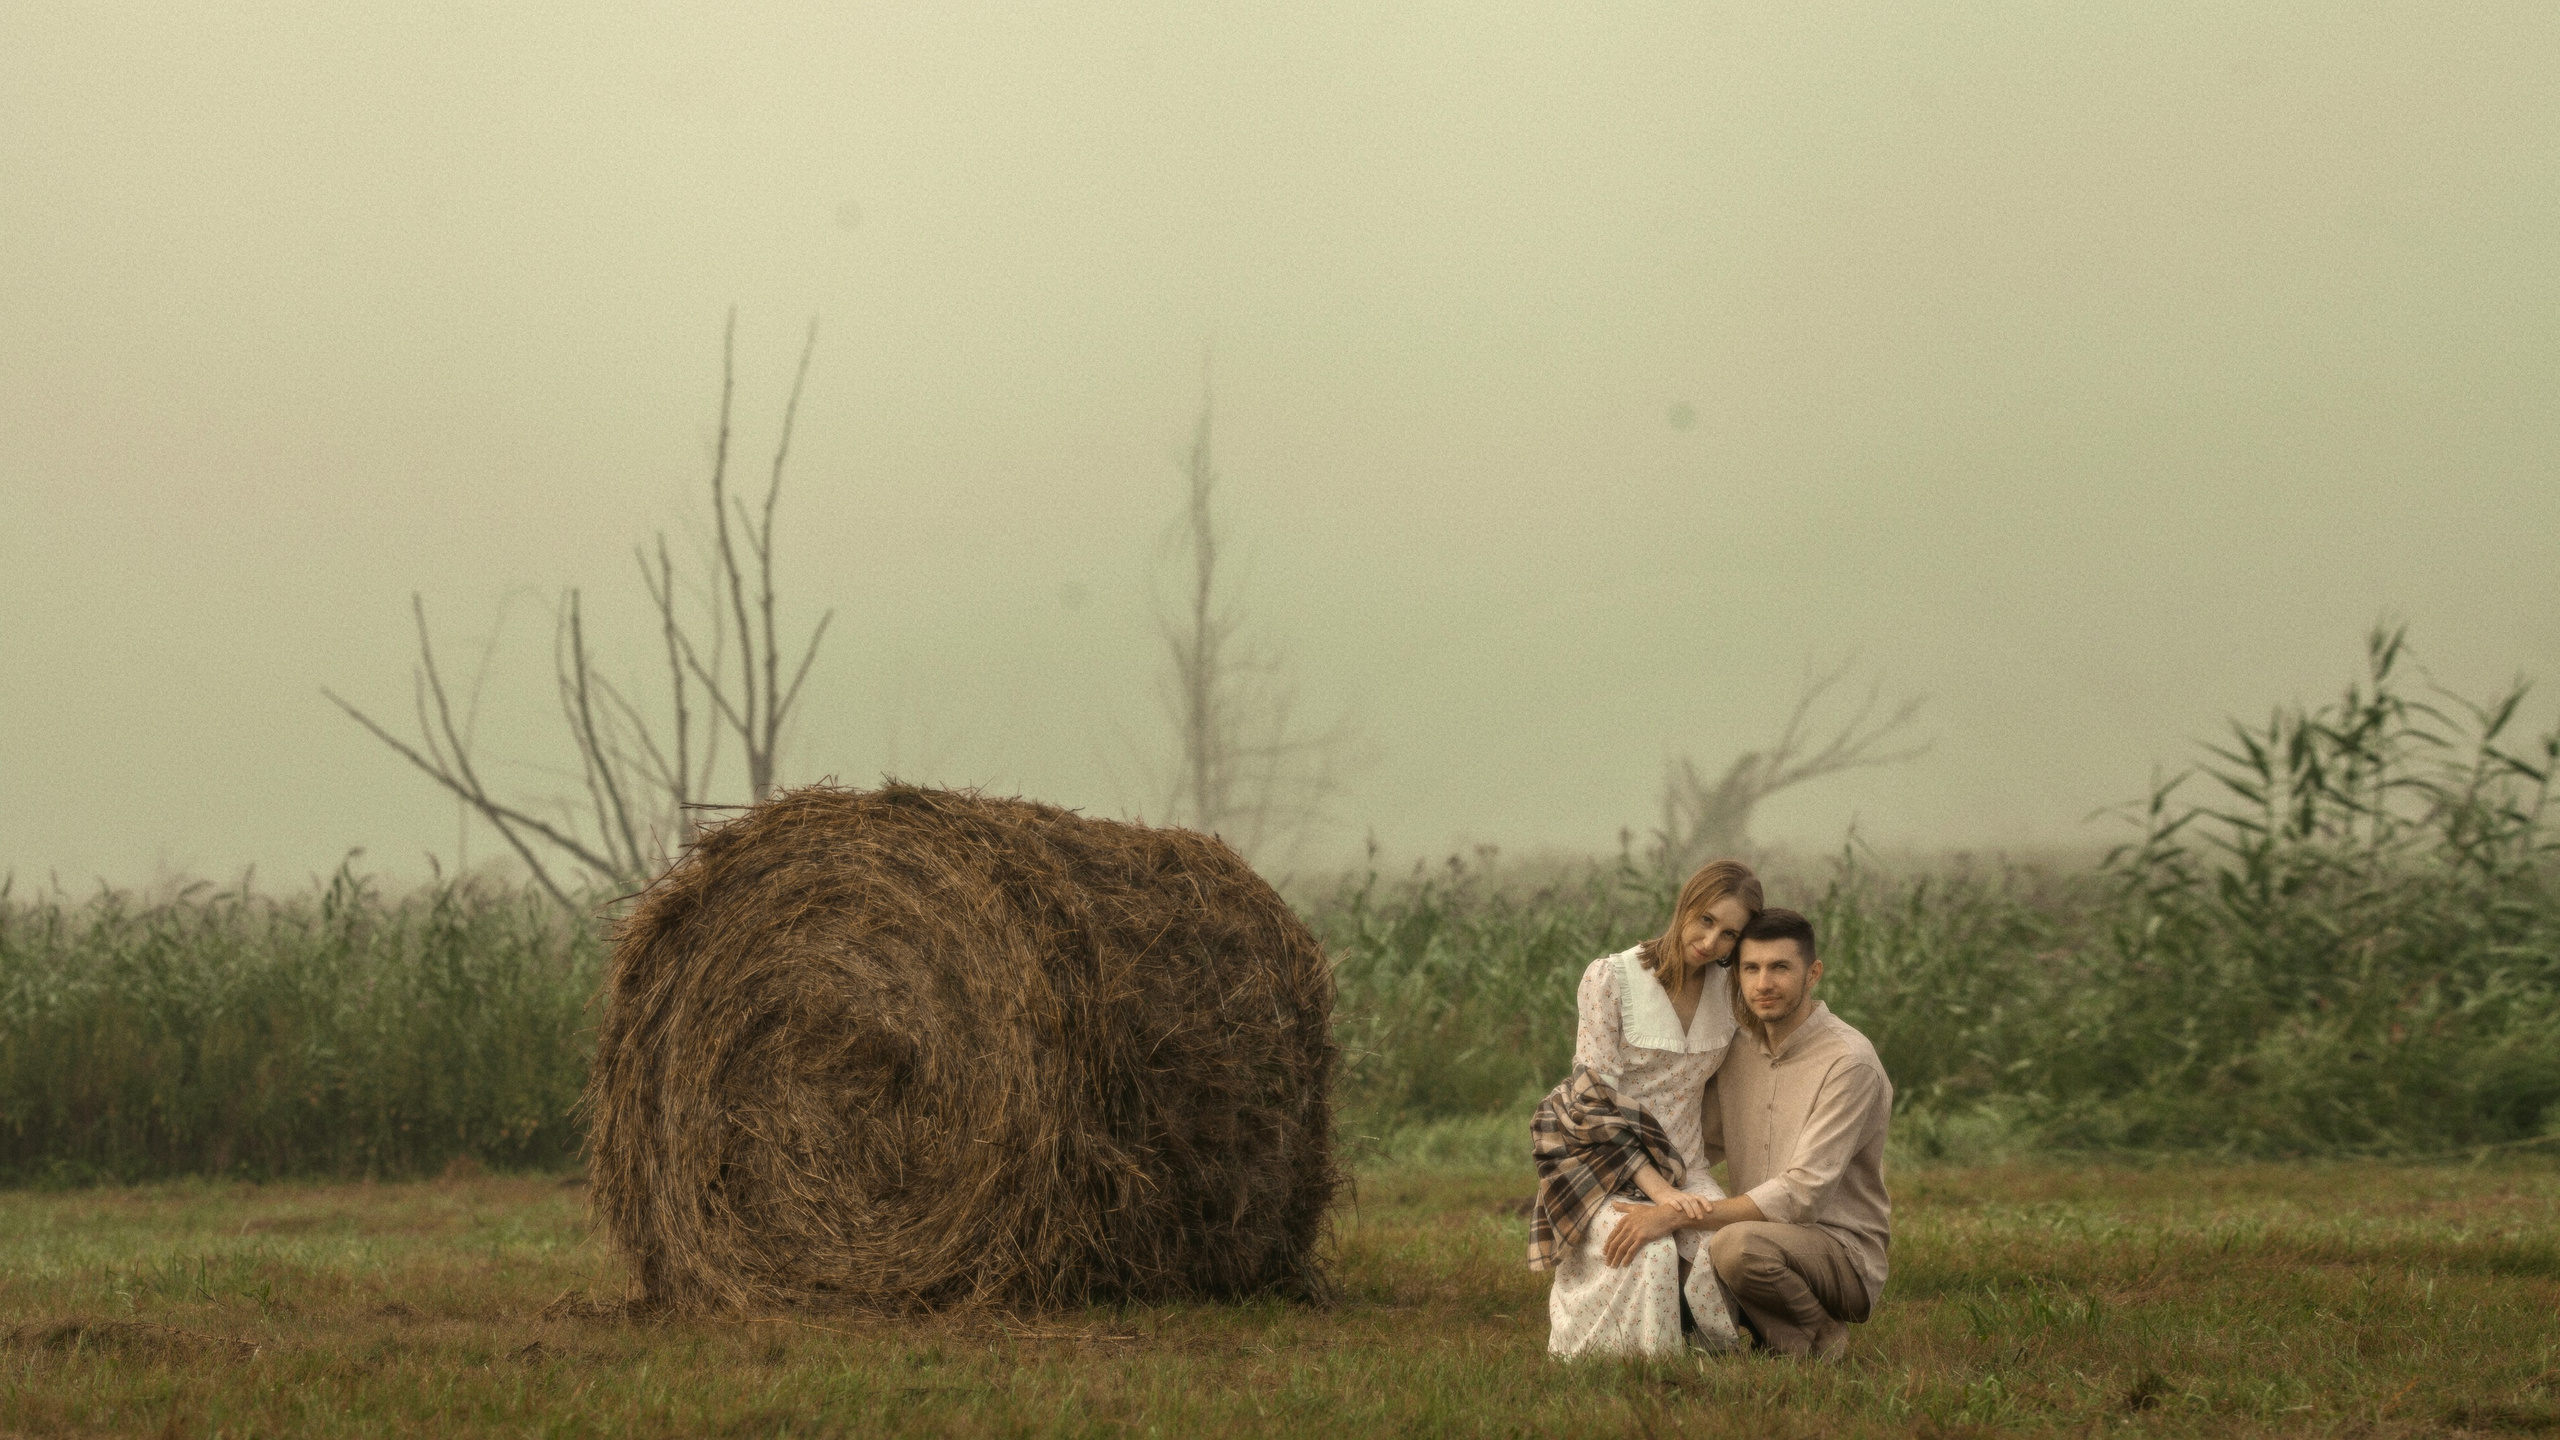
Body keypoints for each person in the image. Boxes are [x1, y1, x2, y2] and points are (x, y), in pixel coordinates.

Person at [1531, 860, 1761, 1358]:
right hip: (1602, 1165)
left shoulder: (1731, 993)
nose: (1711, 942)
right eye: (1706, 920)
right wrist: (1661, 1194)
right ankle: (1631, 1359)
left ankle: (1705, 1349)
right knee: (1650, 1249)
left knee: (1719, 1249)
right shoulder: (1611, 978)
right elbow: (1592, 1100)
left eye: (1729, 934)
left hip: (1687, 1167)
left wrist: (1681, 1192)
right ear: (1685, 904)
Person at [1664, 907, 1893, 1361]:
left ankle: (1818, 1337)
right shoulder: (1735, 1052)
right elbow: (1695, 1144)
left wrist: (1675, 1217)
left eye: (1780, 967)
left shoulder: (1848, 1062)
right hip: (1764, 1240)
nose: (1763, 983)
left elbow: (1802, 1195)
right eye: (1751, 968)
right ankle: (1752, 1338)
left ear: (1813, 973)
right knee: (1685, 1241)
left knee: (1735, 1246)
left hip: (1840, 1251)